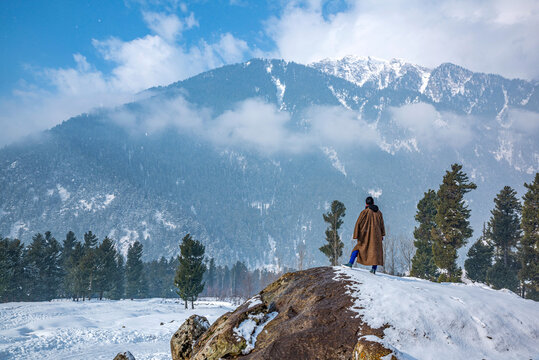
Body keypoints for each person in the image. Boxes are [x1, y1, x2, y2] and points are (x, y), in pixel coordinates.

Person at [343, 196, 385, 274]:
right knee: (375, 251)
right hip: (376, 236)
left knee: (358, 247)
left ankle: (350, 263)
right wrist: (382, 235)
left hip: (365, 235)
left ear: (366, 203)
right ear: (373, 203)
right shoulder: (379, 213)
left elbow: (358, 223)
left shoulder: (364, 212)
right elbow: (382, 224)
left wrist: (356, 234)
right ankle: (373, 269)